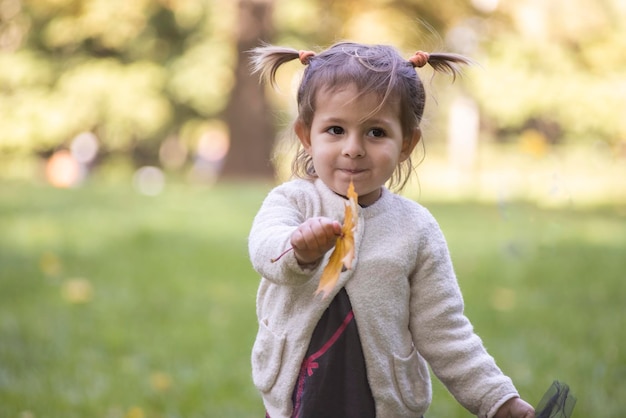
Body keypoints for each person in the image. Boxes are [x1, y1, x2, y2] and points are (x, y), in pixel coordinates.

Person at [247, 41, 535, 418]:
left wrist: (496, 399)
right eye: (335, 129)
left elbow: (445, 331)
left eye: (376, 133)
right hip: (300, 396)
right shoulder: (292, 203)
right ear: (306, 135)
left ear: (407, 144)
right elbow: (264, 249)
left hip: (378, 402)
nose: (353, 148)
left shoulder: (416, 229)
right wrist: (298, 248)